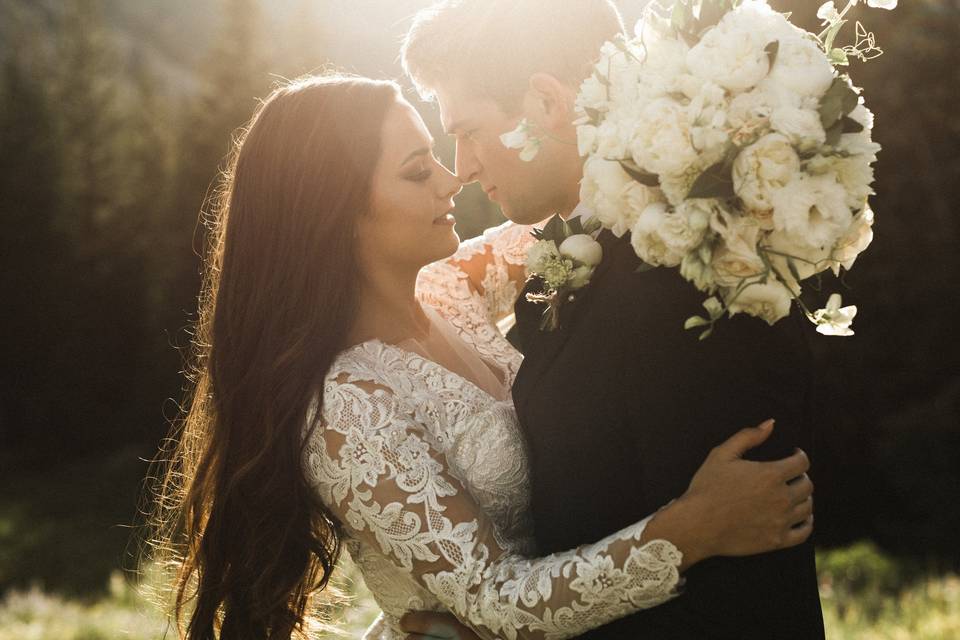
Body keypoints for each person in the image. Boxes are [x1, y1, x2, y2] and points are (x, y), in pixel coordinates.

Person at [150, 74, 814, 640]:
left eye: (440, 155)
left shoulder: (453, 285)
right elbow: (496, 600)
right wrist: (694, 529)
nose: (454, 178)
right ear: (337, 216)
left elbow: (581, 205)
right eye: (418, 171)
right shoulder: (347, 406)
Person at [400, 1, 825, 638]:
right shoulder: (568, 255)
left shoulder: (687, 265)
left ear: (545, 103)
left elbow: (748, 547)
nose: (463, 167)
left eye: (468, 132)